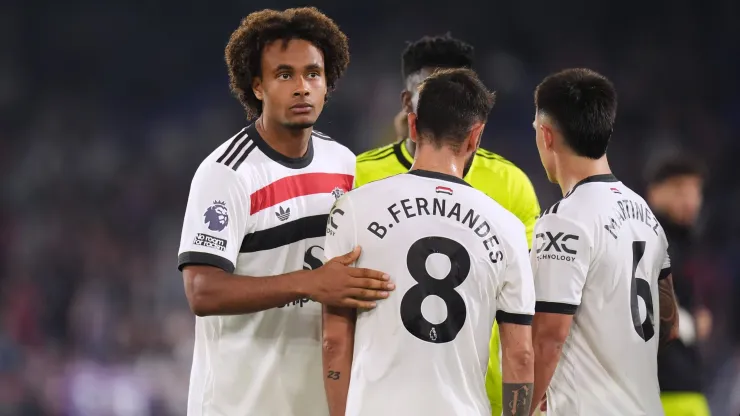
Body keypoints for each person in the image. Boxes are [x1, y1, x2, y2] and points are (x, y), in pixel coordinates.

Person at [176, 8, 395, 416]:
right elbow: (202, 292)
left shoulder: (345, 165)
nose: (302, 88)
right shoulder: (226, 174)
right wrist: (310, 284)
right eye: (284, 75)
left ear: (328, 84)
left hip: (319, 403)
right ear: (257, 87)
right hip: (239, 404)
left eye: (313, 74)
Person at [321, 68, 535, 416]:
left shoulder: (353, 209)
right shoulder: (507, 227)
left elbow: (334, 341)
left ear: (413, 126)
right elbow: (520, 356)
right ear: (475, 137)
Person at [528, 68, 680, 415]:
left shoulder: (563, 220)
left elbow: (548, 339)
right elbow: (669, 325)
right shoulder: (645, 214)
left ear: (547, 136)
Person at [646, 156, 712, 416]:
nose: (689, 199)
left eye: (695, 190)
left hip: (680, 383)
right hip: (667, 386)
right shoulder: (653, 238)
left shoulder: (685, 242)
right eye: (679, 189)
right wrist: (689, 323)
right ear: (654, 191)